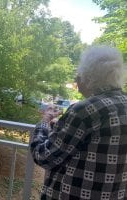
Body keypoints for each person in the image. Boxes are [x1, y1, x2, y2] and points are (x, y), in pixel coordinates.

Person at [30, 45, 127, 199]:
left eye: (79, 74)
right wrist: (58, 126)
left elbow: (44, 156)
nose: (76, 79)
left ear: (90, 77)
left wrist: (44, 122)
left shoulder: (85, 110)